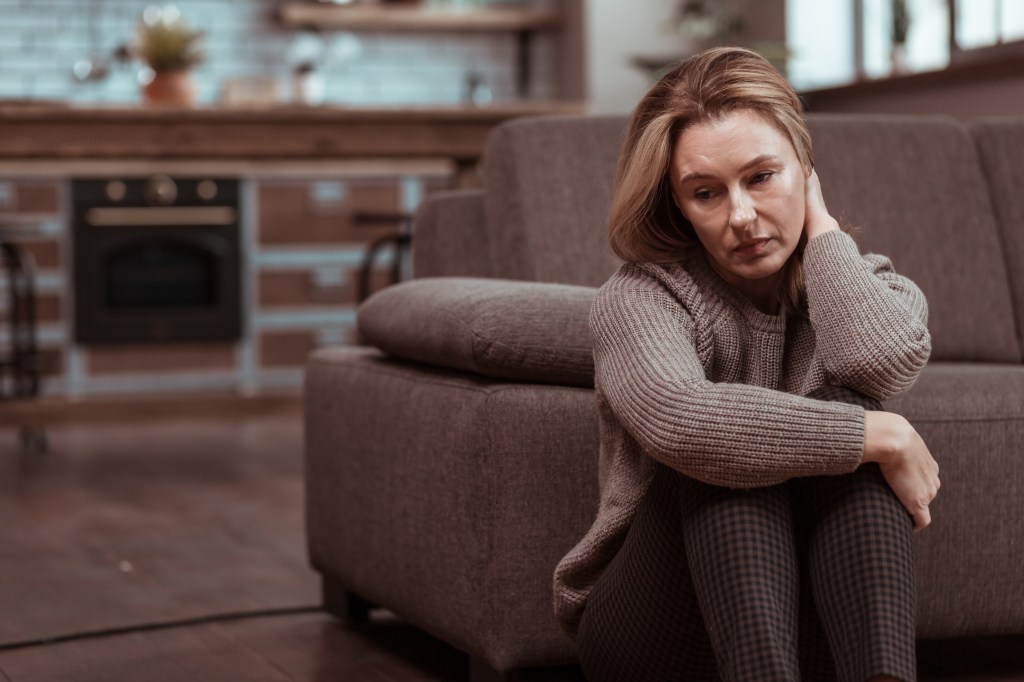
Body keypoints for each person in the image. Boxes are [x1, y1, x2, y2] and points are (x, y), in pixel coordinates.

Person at [552, 47, 940, 682]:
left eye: (763, 177)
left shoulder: (866, 285)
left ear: (805, 170)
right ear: (678, 206)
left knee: (850, 416)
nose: (740, 216)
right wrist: (882, 435)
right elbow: (685, 422)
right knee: (733, 453)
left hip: (813, 633)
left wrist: (823, 234)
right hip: (657, 632)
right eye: (706, 193)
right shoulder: (642, 297)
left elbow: (881, 363)